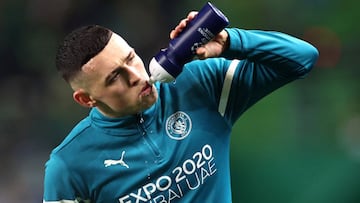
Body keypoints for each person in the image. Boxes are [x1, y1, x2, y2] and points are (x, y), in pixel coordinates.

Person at [43, 9, 318, 203]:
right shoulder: (68, 166)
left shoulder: (198, 86)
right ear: (86, 99)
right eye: (115, 77)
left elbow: (302, 59)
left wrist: (230, 42)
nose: (136, 76)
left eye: (131, 58)